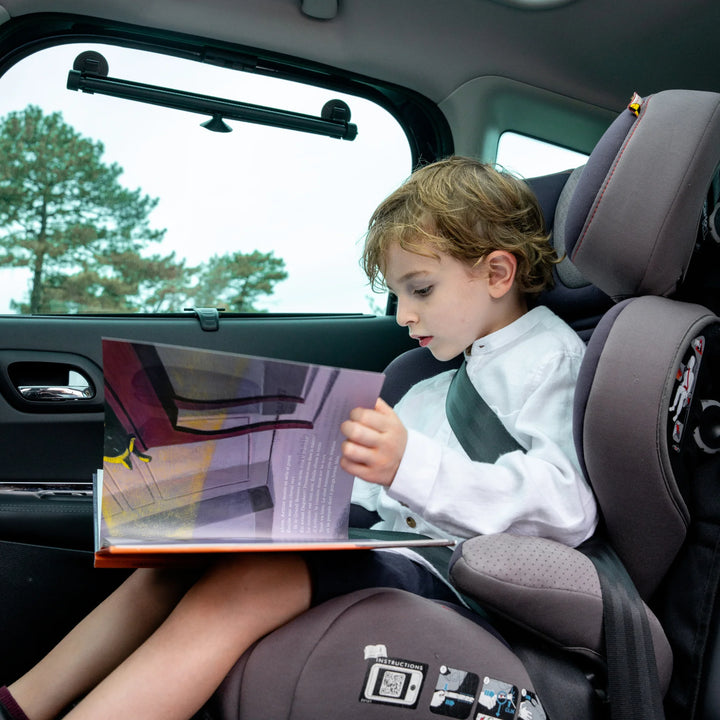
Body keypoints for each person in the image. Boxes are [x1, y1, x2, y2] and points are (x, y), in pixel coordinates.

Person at [0, 156, 597, 720]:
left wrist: (409, 464)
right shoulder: (428, 387)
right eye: (396, 294)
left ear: (497, 272)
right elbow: (371, 499)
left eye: (421, 290)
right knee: (172, 560)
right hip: (385, 547)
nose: (401, 316)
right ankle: (19, 705)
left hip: (459, 577)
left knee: (254, 582)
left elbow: (566, 505)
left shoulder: (551, 361)